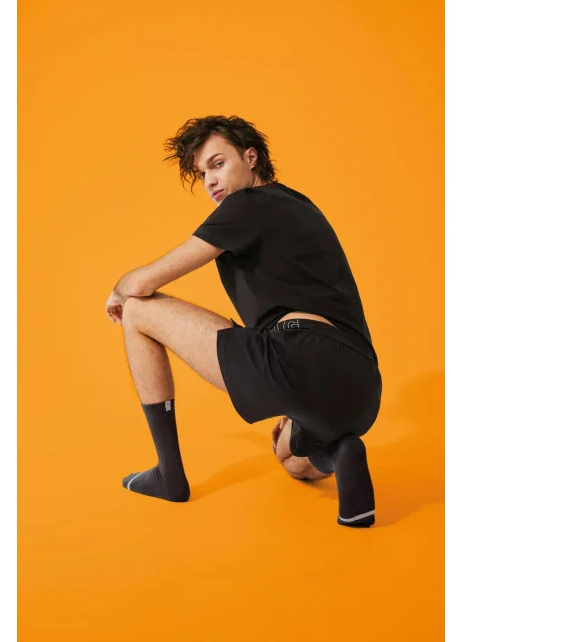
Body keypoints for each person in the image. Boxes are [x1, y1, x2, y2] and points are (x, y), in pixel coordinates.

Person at [105, 115, 381, 527]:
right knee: (291, 459)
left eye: (218, 164)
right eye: (203, 174)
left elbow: (143, 283)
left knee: (137, 309)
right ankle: (336, 453)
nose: (211, 181)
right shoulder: (297, 204)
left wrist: (119, 290)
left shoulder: (247, 203)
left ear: (251, 158)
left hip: (298, 352)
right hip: (361, 389)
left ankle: (168, 475)